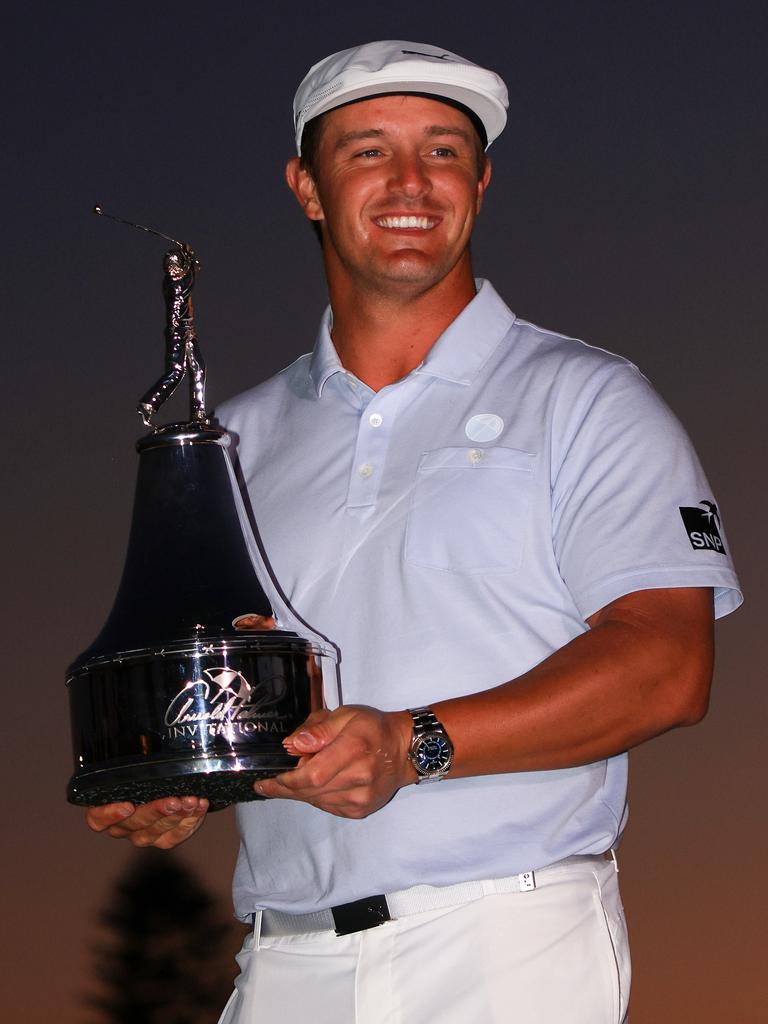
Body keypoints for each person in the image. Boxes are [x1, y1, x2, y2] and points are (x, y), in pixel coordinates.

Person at [86, 41, 742, 1023]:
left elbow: (668, 664)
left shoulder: (587, 398)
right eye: (367, 152)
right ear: (306, 186)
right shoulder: (235, 443)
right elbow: (243, 692)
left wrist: (411, 745)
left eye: (441, 151)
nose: (409, 182)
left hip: (507, 944)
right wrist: (182, 778)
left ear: (479, 181)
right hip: (284, 958)